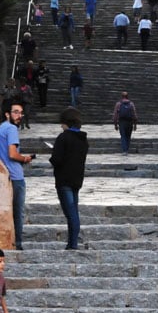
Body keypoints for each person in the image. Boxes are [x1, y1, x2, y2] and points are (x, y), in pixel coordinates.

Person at [0, 100, 34, 250]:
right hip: (15, 177)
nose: (19, 115)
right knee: (17, 212)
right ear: (7, 114)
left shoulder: (0, 129)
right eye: (15, 112)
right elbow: (13, 154)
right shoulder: (11, 129)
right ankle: (17, 243)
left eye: (21, 112)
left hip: (1, 178)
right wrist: (24, 158)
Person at [49, 107, 89, 250]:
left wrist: (52, 155)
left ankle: (73, 244)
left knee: (70, 212)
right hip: (77, 179)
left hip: (64, 179)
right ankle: (72, 242)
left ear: (66, 122)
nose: (61, 126)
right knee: (74, 210)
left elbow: (57, 159)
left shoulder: (63, 137)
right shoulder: (83, 139)